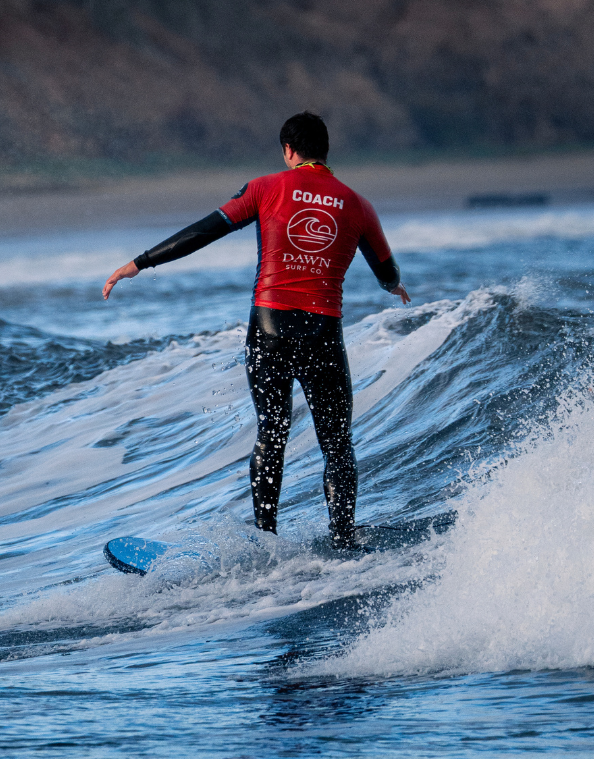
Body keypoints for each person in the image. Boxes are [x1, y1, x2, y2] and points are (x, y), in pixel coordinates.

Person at [102, 111, 411, 549]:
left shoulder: (265, 189)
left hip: (270, 329)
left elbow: (205, 231)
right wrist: (394, 285)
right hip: (323, 331)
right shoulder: (357, 204)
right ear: (325, 151)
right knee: (337, 444)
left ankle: (265, 537)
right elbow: (385, 270)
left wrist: (140, 263)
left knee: (273, 432)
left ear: (289, 150)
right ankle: (344, 539)